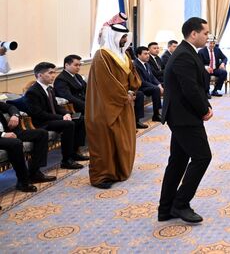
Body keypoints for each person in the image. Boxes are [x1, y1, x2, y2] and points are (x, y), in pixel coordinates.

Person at [159, 17, 214, 224]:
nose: (208, 37)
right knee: (202, 157)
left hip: (182, 115)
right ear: (193, 33)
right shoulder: (184, 54)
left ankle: (165, 209)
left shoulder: (187, 51)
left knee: (178, 161)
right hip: (184, 117)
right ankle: (180, 204)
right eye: (205, 33)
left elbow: (195, 85)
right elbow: (189, 88)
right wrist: (204, 110)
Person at [87, 23, 142, 189]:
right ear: (114, 36)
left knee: (122, 138)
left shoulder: (124, 55)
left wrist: (132, 89)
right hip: (106, 106)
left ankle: (118, 171)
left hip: (123, 104)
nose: (125, 40)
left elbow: (132, 76)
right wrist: (125, 95)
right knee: (106, 142)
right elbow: (107, 82)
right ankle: (102, 176)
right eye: (122, 37)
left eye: (126, 37)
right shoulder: (102, 55)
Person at [25, 62, 88, 170]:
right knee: (68, 124)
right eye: (50, 73)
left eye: (54, 72)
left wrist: (66, 113)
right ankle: (66, 160)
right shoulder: (33, 91)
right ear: (40, 75)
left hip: (52, 119)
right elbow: (39, 113)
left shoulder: (49, 88)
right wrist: (61, 117)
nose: (53, 75)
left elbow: (56, 107)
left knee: (80, 119)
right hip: (41, 123)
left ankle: (74, 152)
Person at [0, 100, 55, 192]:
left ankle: (34, 173)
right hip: (2, 136)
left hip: (9, 131)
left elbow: (10, 107)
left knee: (42, 134)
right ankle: (23, 181)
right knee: (15, 143)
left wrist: (15, 115)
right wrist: (3, 135)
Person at [134, 46, 164, 125]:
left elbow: (152, 77)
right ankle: (138, 120)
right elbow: (141, 81)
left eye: (148, 54)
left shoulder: (147, 64)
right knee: (155, 89)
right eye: (145, 54)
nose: (148, 56)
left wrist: (159, 84)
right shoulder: (135, 65)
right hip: (140, 87)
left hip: (147, 86)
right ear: (139, 55)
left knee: (158, 88)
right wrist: (156, 87)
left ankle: (156, 114)